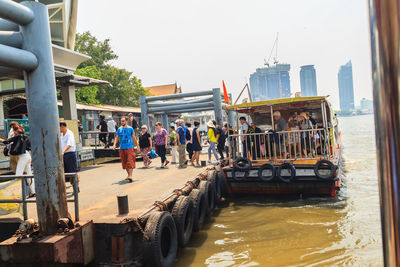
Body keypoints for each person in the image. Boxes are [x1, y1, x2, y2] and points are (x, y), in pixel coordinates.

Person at [0, 125, 35, 198]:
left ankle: (18, 195)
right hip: (27, 155)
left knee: (18, 175)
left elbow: (6, 142)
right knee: (29, 174)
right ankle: (33, 192)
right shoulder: (25, 137)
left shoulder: (17, 137)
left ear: (15, 131)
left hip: (23, 157)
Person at [112, 117, 138, 182]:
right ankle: (129, 175)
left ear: (126, 121)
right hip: (122, 148)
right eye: (121, 121)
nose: (122, 122)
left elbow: (134, 138)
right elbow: (116, 137)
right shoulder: (119, 129)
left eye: (123, 121)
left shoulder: (130, 128)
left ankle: (130, 176)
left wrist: (137, 146)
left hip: (129, 147)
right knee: (125, 162)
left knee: (130, 161)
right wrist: (114, 145)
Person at [59, 121, 80, 189]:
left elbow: (69, 145)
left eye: (59, 128)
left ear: (62, 127)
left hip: (70, 154)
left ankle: (76, 188)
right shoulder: (61, 135)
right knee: (65, 172)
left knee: (72, 171)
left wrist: (63, 151)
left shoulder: (69, 133)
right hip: (64, 155)